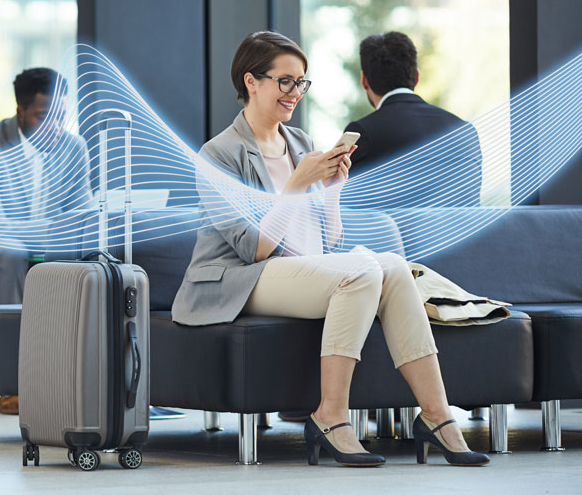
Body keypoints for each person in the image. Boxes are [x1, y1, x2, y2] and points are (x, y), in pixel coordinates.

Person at [171, 31, 488, 467]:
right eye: (285, 81)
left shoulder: (298, 142)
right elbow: (254, 248)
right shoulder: (219, 155)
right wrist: (298, 183)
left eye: (301, 83)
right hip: (240, 279)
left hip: (297, 269)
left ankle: (436, 415)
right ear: (251, 81)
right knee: (360, 272)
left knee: (394, 267)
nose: (295, 93)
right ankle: (330, 416)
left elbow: (328, 242)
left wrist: (333, 189)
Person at [0, 67, 91, 415]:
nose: (55, 126)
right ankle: (13, 385)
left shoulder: (74, 148)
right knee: (10, 252)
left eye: (61, 116)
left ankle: (80, 381)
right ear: (21, 112)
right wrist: (49, 230)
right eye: (44, 116)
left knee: (96, 255)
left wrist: (64, 235)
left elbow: (82, 216)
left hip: (46, 249)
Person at [345, 31, 482, 207]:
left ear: (364, 80)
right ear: (416, 77)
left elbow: (342, 210)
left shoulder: (361, 134)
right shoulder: (465, 130)